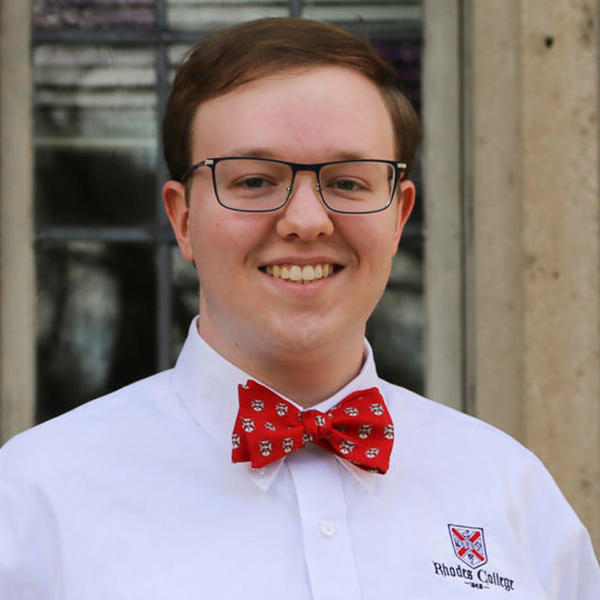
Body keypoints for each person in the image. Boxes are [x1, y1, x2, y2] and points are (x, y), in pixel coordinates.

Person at [0, 17, 598, 600]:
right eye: (255, 180)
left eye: (347, 182)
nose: (307, 222)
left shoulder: (511, 492)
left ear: (399, 215)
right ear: (183, 219)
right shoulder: (33, 499)